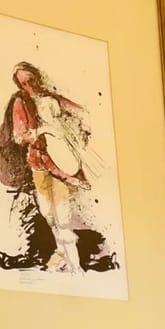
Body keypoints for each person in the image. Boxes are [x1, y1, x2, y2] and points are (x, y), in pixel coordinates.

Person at [0, 61, 92, 272]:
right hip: (38, 163)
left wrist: (82, 129)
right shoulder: (20, 103)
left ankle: (76, 267)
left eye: (31, 79)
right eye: (23, 82)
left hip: (61, 162)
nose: (29, 84)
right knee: (48, 212)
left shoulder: (53, 98)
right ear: (20, 85)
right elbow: (19, 136)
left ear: (37, 77)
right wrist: (42, 131)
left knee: (63, 214)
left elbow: (82, 112)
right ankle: (60, 252)